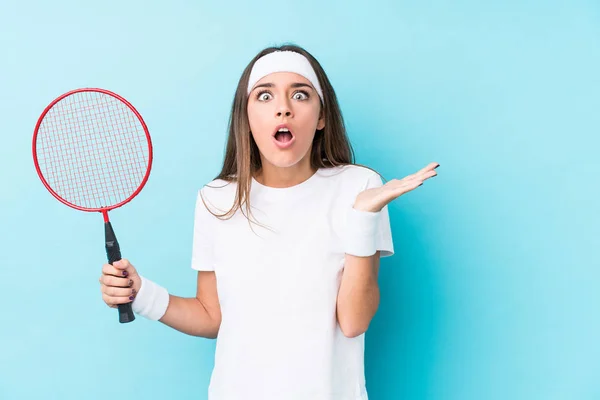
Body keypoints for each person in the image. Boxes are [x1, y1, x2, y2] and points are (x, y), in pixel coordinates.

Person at [98, 44, 439, 400]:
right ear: (246, 117)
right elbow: (211, 315)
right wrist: (140, 295)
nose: (283, 108)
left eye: (301, 95)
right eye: (264, 95)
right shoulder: (216, 199)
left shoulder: (359, 188)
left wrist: (363, 218)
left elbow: (353, 322)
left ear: (321, 117)